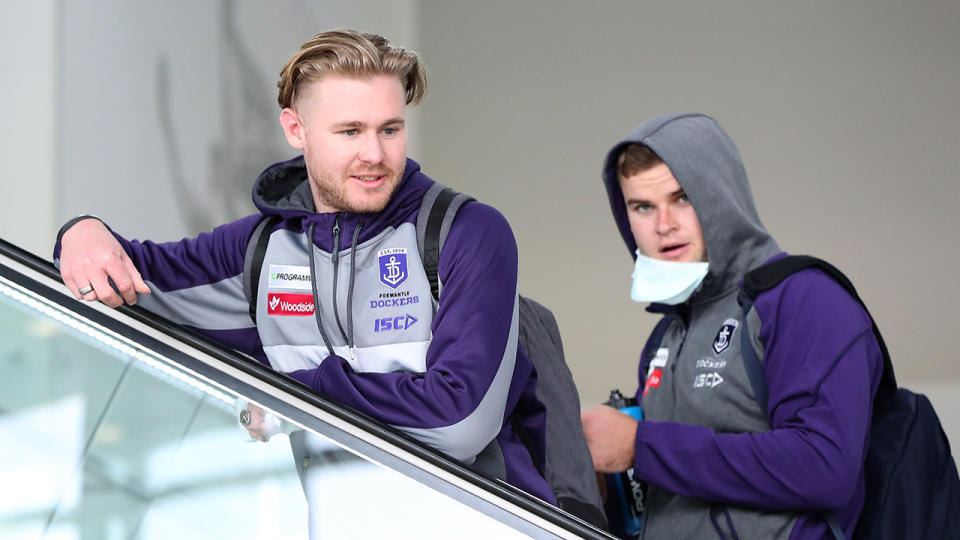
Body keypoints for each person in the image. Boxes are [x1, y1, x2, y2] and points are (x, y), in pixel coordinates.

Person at [54, 30, 555, 505]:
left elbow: (458, 424)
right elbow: (128, 278)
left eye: (391, 129)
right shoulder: (260, 250)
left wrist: (299, 393)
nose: (375, 154)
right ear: (297, 130)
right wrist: (79, 231)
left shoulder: (465, 231)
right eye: (350, 131)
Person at [580, 113, 883, 539]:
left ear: (720, 195)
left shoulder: (802, 299)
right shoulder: (666, 336)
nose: (663, 225)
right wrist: (604, 480)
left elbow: (825, 466)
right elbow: (672, 503)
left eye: (682, 197)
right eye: (643, 207)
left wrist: (641, 445)